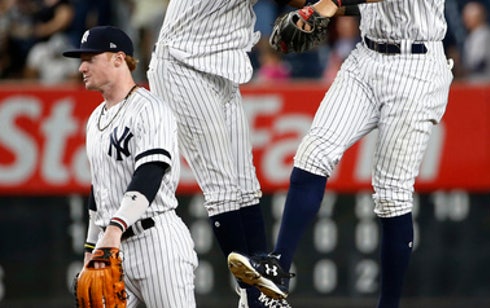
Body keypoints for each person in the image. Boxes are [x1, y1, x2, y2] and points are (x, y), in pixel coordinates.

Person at [227, 0, 454, 307]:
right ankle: (277, 269)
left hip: (417, 67)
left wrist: (329, 4)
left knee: (392, 195)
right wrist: (315, 6)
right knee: (313, 153)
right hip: (368, 57)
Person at [146, 0, 306, 307]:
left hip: (219, 66)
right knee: (222, 188)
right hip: (182, 67)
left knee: (246, 186)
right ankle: (251, 293)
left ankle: (264, 290)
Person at [63, 25, 197, 307]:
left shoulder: (150, 109)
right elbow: (98, 190)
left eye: (90, 58)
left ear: (118, 58)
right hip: (114, 249)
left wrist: (112, 231)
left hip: (157, 243)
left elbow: (150, 172)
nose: (82, 68)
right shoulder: (95, 119)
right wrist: (91, 248)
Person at [461, 1, 490, 83]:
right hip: (478, 86)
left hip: (488, 85)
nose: (465, 20)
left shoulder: (485, 35)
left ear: (479, 17)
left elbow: (481, 64)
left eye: (468, 17)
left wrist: (461, 71)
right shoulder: (474, 35)